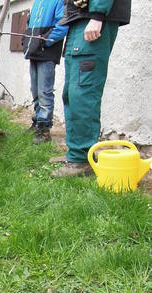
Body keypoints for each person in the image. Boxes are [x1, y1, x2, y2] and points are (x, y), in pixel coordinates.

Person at [52, 0, 131, 177]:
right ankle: (76, 153)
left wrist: (98, 14)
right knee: (71, 93)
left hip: (93, 17)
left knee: (83, 92)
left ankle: (81, 160)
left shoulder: (96, 15)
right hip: (80, 18)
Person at [22, 0, 68, 144]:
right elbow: (31, 24)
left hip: (47, 53)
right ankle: (37, 121)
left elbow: (63, 25)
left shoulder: (59, 1)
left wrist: (44, 41)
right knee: (35, 90)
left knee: (44, 91)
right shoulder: (37, 2)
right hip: (34, 51)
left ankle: (44, 129)